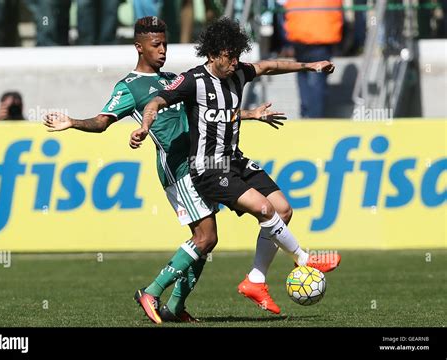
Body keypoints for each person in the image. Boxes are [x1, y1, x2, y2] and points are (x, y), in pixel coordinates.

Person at [43, 17, 284, 323]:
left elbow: (210, 114)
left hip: (203, 163)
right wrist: (73, 122)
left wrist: (250, 114)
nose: (162, 50)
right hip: (177, 166)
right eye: (156, 45)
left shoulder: (174, 78)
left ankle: (176, 306)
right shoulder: (129, 86)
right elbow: (102, 122)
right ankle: (151, 291)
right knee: (205, 237)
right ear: (139, 47)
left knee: (207, 239)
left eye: (165, 44)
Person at [131, 17, 341, 316]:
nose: (235, 63)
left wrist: (309, 66)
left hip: (235, 159)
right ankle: (304, 258)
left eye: (238, 56)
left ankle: (255, 279)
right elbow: (155, 103)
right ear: (213, 54)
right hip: (208, 167)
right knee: (262, 210)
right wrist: (144, 126)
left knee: (282, 209)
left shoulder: (238, 72)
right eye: (229, 57)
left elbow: (269, 66)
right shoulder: (193, 80)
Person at [283, 0, 343, 118]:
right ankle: (315, 119)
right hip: (321, 37)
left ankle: (306, 115)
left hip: (300, 35)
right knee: (317, 82)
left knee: (304, 77)